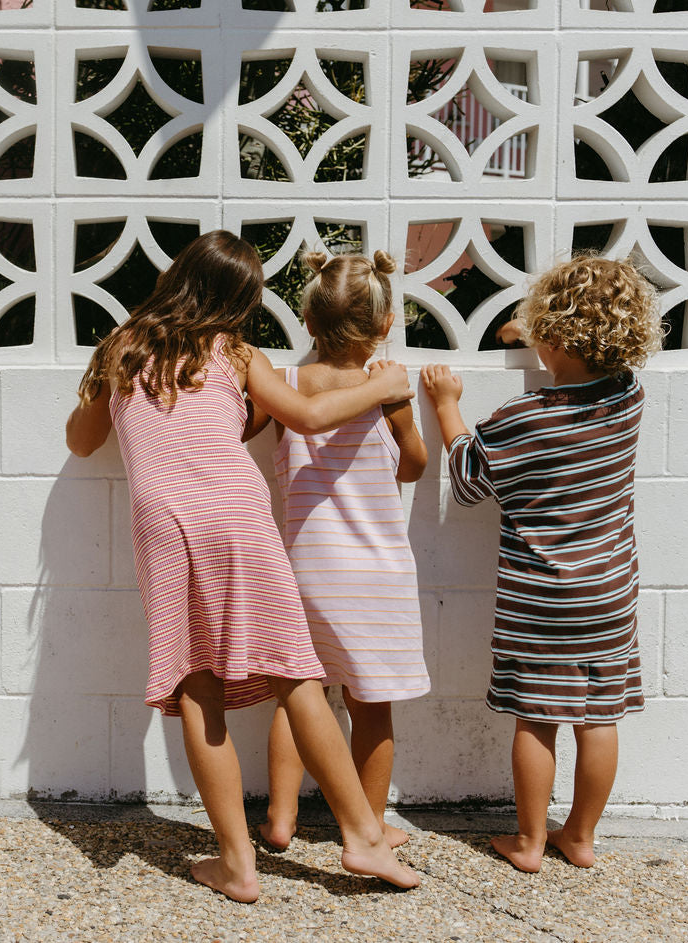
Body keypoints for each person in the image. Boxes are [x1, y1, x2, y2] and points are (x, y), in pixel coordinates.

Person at [64, 230, 420, 902]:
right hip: (240, 513)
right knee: (296, 674)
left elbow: (83, 443)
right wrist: (387, 387)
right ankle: (364, 838)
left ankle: (237, 862)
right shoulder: (234, 350)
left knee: (198, 686)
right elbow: (310, 414)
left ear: (176, 278)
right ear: (242, 301)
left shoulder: (122, 347)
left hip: (164, 523)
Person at [421, 254, 663, 873]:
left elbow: (470, 480)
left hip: (540, 600)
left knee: (538, 718)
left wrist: (448, 407)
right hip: (609, 592)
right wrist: (543, 337)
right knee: (598, 718)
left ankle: (528, 842)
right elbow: (590, 362)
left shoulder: (524, 419)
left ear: (548, 337)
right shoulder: (628, 397)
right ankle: (578, 837)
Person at [254, 251, 430, 853]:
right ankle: (370, 824)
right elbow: (414, 464)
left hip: (303, 569)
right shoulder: (387, 389)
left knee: (300, 693)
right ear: (385, 326)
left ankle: (280, 818)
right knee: (371, 703)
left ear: (307, 320)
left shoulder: (288, 385)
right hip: (375, 575)